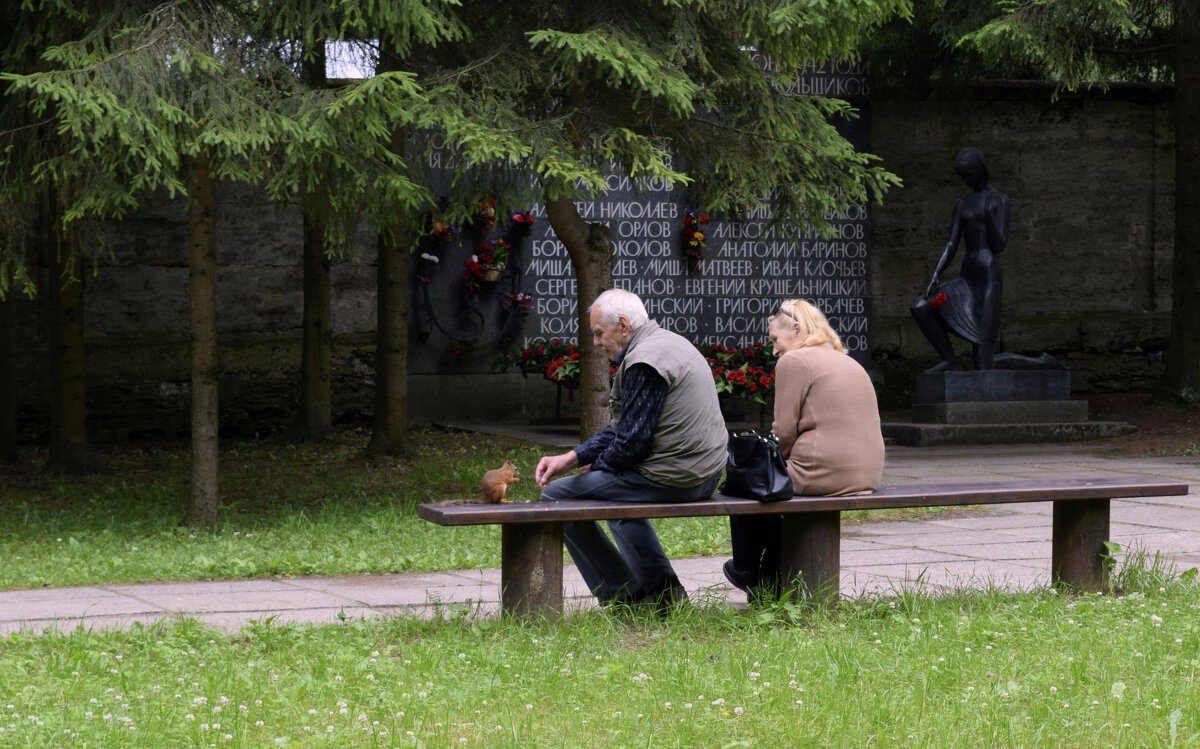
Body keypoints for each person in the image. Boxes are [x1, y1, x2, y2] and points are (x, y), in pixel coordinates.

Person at [535, 288, 728, 609]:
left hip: (677, 478)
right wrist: (574, 458)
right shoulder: (669, 342)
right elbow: (628, 429)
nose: (596, 342)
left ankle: (624, 595)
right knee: (611, 493)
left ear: (623, 325)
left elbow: (631, 443)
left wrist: (599, 466)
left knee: (554, 498)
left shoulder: (643, 362)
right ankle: (665, 593)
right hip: (707, 474)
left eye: (599, 333)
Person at [724, 299, 885, 600]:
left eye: (775, 340)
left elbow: (783, 433)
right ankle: (769, 576)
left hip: (822, 474)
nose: (774, 350)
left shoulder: (794, 361)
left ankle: (751, 572)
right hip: (866, 476)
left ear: (796, 329)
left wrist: (760, 469)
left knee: (746, 483)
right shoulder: (847, 360)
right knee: (769, 483)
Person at [911, 147, 1008, 372]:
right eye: (962, 175)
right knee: (921, 307)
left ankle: (1039, 364)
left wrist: (990, 216)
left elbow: (1000, 244)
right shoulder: (962, 203)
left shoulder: (999, 200)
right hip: (968, 275)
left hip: (988, 277)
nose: (966, 180)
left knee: (983, 361)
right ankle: (950, 360)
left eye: (968, 174)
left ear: (980, 170)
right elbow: (951, 243)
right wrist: (937, 273)